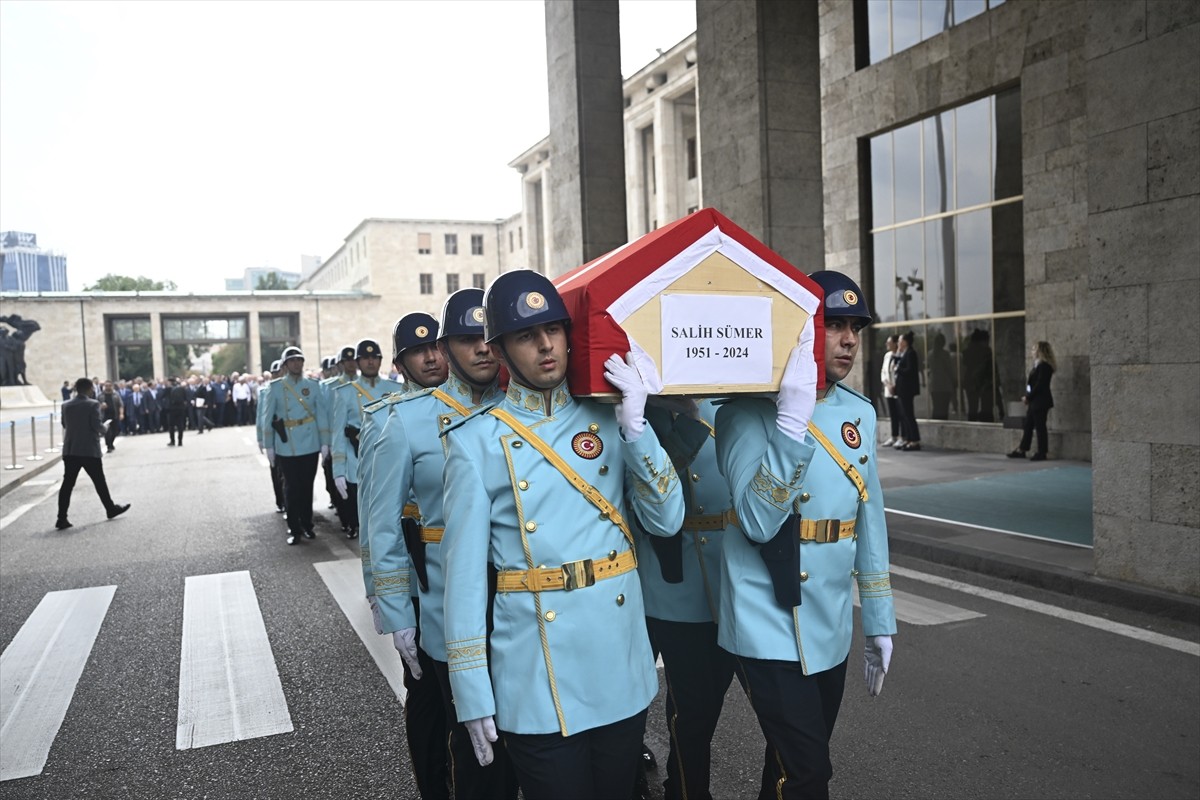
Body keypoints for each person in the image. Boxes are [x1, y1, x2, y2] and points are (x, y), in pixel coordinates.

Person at [441, 270, 685, 800]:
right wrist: (471, 688)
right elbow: (461, 582)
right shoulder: (477, 441)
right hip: (535, 674)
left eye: (553, 328)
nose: (547, 345)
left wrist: (638, 431)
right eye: (526, 335)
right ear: (499, 350)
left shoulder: (610, 417)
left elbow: (667, 520)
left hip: (617, 660)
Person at [713, 270, 896, 800]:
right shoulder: (747, 411)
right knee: (812, 772)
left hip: (830, 620)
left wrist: (879, 621)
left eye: (855, 327)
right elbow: (756, 520)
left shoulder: (858, 412)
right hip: (767, 619)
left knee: (789, 766)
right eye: (832, 324)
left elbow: (870, 523)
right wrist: (791, 425)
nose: (849, 339)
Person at [371, 289, 517, 799]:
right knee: (474, 748)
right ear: (446, 347)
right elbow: (383, 527)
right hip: (444, 605)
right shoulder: (405, 421)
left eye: (486, 337)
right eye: (463, 339)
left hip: (522, 599)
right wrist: (397, 613)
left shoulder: (518, 411)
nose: (480, 348)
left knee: (525, 736)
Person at [362, 313, 453, 800]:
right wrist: (388, 602)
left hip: (468, 574)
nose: (433, 356)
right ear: (401, 364)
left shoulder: (480, 404)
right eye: (420, 351)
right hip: (419, 577)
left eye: (438, 345)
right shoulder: (388, 419)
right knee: (427, 697)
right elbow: (377, 520)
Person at [639, 397, 743, 800]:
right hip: (666, 578)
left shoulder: (732, 408)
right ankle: (684, 788)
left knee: (708, 697)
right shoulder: (640, 414)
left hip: (728, 574)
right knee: (690, 704)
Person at [331, 338, 404, 540]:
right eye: (365, 358)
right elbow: (337, 433)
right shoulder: (345, 393)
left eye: (375, 358)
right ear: (357, 362)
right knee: (366, 523)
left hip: (392, 462)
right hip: (359, 461)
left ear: (381, 361)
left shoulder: (396, 389)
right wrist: (338, 471)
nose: (370, 362)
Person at [262, 346, 331, 546]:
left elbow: (321, 415)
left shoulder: (313, 385)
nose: (296, 364)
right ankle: (294, 528)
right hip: (287, 445)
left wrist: (324, 442)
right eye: (291, 361)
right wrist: (269, 446)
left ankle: (307, 524)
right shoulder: (275, 388)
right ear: (285, 365)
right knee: (292, 488)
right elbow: (268, 419)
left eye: (299, 360)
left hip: (309, 443)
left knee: (307, 486)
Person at [56, 378, 131, 530]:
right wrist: (105, 427)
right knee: (99, 481)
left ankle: (61, 517)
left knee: (67, 484)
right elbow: (97, 426)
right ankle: (110, 508)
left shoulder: (65, 405)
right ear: (90, 388)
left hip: (71, 450)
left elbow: (64, 424)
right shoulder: (93, 404)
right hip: (89, 450)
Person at [1008, 340, 1056, 461]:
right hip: (1035, 401)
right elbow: (1033, 384)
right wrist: (1028, 396)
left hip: (1040, 402)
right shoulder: (1037, 365)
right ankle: (1022, 449)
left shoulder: (1044, 366)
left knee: (1040, 427)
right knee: (1028, 425)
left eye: (1035, 349)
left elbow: (1040, 385)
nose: (1032, 351)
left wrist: (1028, 397)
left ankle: (1042, 452)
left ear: (1041, 351)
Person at [256, 361, 287, 513]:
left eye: (279, 372)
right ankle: (280, 501)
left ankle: (290, 503)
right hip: (273, 437)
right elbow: (261, 418)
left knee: (287, 475)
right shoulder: (265, 391)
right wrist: (261, 439)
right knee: (275, 472)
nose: (278, 375)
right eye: (275, 373)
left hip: (288, 438)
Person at [893, 331, 922, 451]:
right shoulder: (903, 353)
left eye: (900, 341)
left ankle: (915, 440)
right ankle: (909, 439)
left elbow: (909, 370)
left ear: (905, 342)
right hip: (901, 389)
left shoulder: (911, 353)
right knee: (904, 414)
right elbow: (896, 364)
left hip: (907, 389)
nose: (898, 343)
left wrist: (898, 369)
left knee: (909, 414)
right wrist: (898, 353)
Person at [927, 331, 955, 420]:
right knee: (944, 409)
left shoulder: (930, 354)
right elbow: (949, 369)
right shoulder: (945, 354)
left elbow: (929, 368)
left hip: (934, 384)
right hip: (945, 384)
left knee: (936, 407)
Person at [879, 335, 900, 446]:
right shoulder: (887, 355)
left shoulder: (900, 355)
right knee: (892, 414)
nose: (887, 344)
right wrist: (888, 385)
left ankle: (902, 436)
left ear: (895, 343)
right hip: (889, 389)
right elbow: (883, 372)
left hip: (897, 390)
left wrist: (894, 385)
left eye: (889, 342)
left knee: (900, 414)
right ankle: (893, 436)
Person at [166, 377, 190, 446]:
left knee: (171, 426)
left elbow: (163, 397)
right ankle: (180, 441)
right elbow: (186, 398)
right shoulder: (182, 388)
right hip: (180, 409)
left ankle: (172, 441)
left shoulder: (168, 389)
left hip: (172, 409)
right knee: (180, 425)